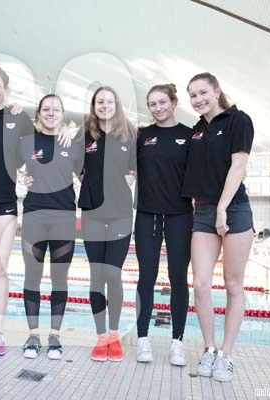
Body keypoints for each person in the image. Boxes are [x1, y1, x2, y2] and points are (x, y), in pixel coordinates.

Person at [0, 62, 71, 357]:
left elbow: (42, 141)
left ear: (6, 89)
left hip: (5, 201)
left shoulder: (19, 119)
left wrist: (66, 130)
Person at [182, 72, 255, 382]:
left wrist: (223, 208)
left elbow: (238, 166)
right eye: (193, 95)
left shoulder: (239, 120)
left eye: (203, 93)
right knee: (200, 284)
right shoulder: (197, 130)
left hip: (234, 209)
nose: (198, 99)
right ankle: (209, 348)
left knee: (233, 284)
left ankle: (226, 355)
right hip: (203, 212)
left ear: (216, 91)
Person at [18, 94, 82, 359]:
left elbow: (89, 176)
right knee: (32, 275)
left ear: (63, 114)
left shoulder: (74, 145)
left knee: (59, 278)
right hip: (34, 215)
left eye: (56, 109)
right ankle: (33, 335)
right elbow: (7, 165)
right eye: (46, 109)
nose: (50, 113)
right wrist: (22, 179)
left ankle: (54, 336)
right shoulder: (26, 142)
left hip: (64, 217)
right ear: (39, 114)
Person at [133, 84, 193, 365]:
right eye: (152, 104)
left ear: (173, 102)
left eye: (162, 102)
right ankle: (142, 339)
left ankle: (177, 341)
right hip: (147, 215)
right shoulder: (141, 136)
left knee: (178, 277)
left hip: (180, 215)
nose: (157, 108)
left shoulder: (189, 135)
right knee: (146, 276)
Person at [78, 86, 137, 362]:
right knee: (96, 275)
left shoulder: (130, 133)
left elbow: (142, 164)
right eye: (99, 101)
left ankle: (114, 334)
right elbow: (67, 163)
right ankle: (101, 337)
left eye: (109, 101)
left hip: (120, 213)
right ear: (94, 106)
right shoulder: (84, 134)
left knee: (113, 274)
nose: (104, 105)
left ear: (117, 104)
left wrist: (133, 175)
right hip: (92, 212)